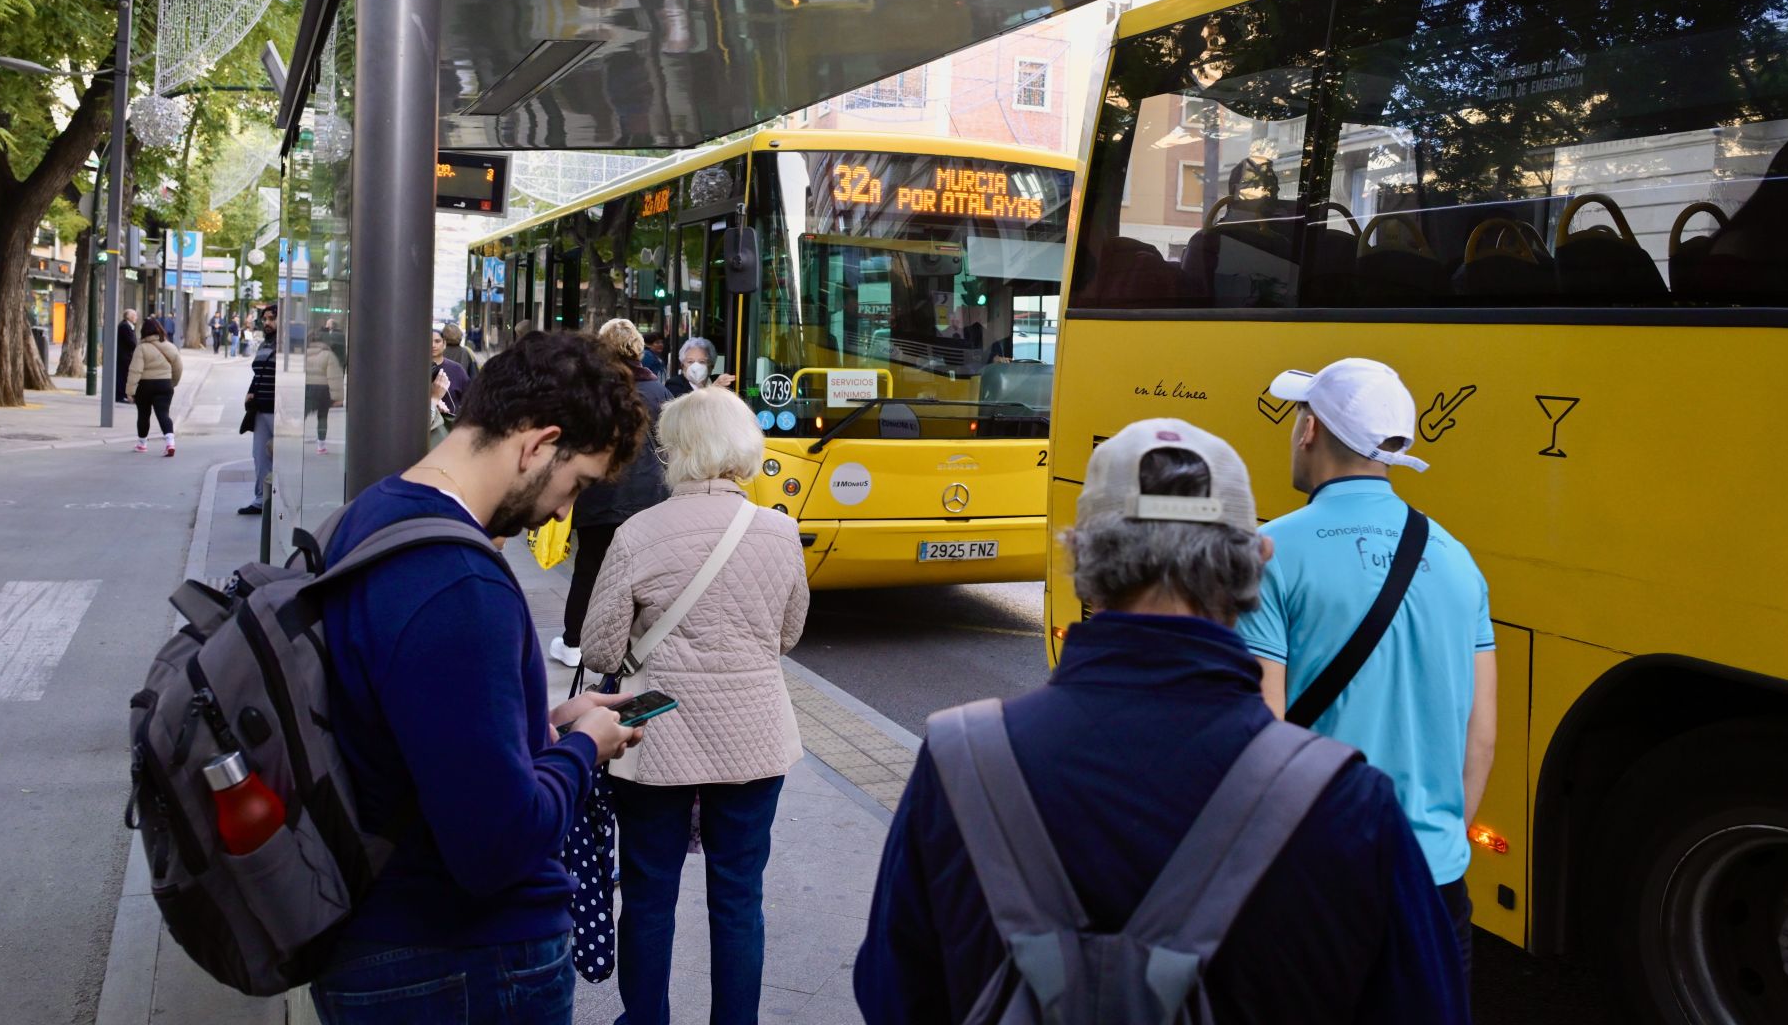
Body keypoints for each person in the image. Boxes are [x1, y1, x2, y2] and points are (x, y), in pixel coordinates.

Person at [855, 418, 1465, 1023]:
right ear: (1259, 557)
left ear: (1081, 559)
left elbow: (892, 996)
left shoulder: (961, 764)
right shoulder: (1350, 805)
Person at [309, 331, 650, 1024]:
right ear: (536, 445)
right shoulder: (461, 585)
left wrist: (537, 724)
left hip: (385, 936)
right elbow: (497, 845)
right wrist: (585, 748)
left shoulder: (373, 513)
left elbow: (414, 719)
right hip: (459, 963)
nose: (562, 512)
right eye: (575, 484)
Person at [1240, 358, 1497, 981]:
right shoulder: (1457, 559)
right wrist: (1437, 849)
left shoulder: (1271, 552)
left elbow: (1260, 737)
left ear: (1309, 431)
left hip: (1316, 876)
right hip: (1433, 883)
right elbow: (1480, 738)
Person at [581, 385, 809, 1025]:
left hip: (653, 737)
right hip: (754, 737)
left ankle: (646, 1018)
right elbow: (787, 636)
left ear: (673, 452)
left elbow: (600, 649)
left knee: (650, 895)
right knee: (740, 896)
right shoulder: (780, 532)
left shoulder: (637, 533)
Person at [550, 319, 671, 669]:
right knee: (643, 572)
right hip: (647, 497)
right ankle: (636, 643)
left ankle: (574, 643)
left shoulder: (588, 390)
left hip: (600, 495)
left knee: (589, 568)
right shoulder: (657, 391)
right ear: (638, 349)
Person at [238, 305, 278, 515]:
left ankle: (281, 500)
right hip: (261, 408)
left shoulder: (287, 345)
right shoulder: (265, 344)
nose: (267, 323)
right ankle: (262, 499)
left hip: (278, 409)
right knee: (260, 455)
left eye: (272, 319)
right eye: (265, 319)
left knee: (283, 455)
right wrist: (251, 392)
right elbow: (258, 373)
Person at [125, 319, 182, 457]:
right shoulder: (170, 346)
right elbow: (178, 368)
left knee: (144, 415)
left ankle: (142, 444)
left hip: (145, 386)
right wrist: (172, 383)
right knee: (163, 414)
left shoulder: (141, 348)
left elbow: (135, 371)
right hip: (164, 384)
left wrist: (130, 391)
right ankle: (170, 442)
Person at [304, 328, 345, 456]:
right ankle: (321, 446)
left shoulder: (304, 354)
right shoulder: (328, 355)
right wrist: (338, 398)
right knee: (322, 417)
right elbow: (334, 378)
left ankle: (295, 439)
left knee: (303, 415)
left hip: (307, 388)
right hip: (323, 390)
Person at [665, 335, 734, 397]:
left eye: (702, 362)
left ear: (711, 367)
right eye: (690, 362)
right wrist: (713, 389)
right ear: (682, 366)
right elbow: (685, 407)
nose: (696, 367)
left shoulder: (720, 382)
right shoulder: (674, 384)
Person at [431, 329, 471, 416]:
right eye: (429, 342)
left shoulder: (457, 369)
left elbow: (470, 398)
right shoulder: (416, 370)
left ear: (444, 344)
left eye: (437, 341)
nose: (433, 345)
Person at [114, 308, 139, 403]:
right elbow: (131, 342)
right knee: (122, 376)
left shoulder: (129, 326)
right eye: (134, 315)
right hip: (124, 357)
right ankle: (120, 396)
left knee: (125, 376)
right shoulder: (125, 326)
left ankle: (123, 395)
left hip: (126, 356)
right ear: (128, 316)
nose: (136, 317)